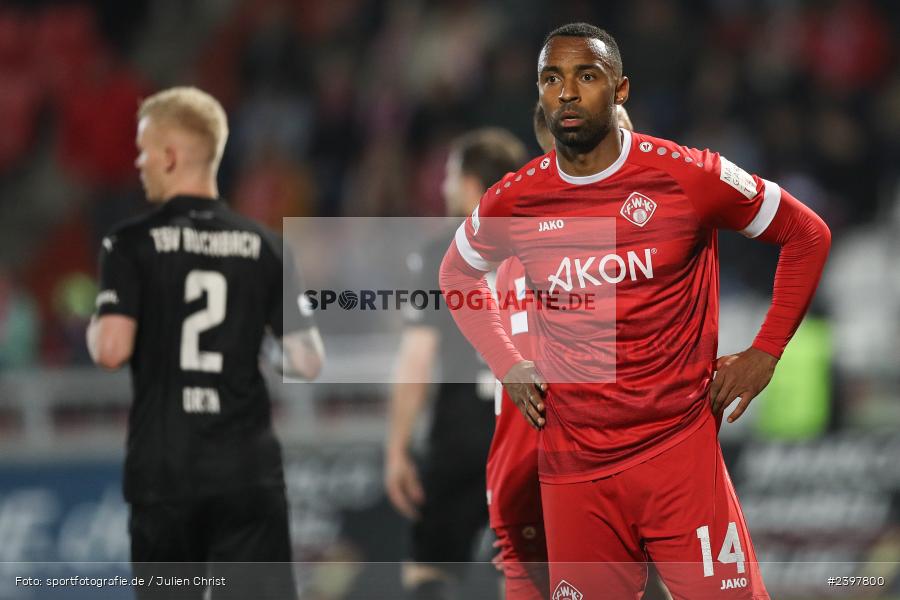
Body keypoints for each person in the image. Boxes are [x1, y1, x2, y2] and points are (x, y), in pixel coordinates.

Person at [440, 23, 830, 599]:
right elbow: (456, 274)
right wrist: (507, 362)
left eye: (586, 76)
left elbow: (807, 234)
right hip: (574, 473)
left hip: (676, 455)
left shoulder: (687, 175)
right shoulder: (514, 199)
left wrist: (766, 351)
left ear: (620, 90)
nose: (567, 92)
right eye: (553, 79)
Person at [86, 86, 324, 600]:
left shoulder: (128, 244)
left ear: (170, 156)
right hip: (247, 471)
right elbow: (307, 362)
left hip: (165, 472)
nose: (138, 161)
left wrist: (94, 322)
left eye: (144, 148)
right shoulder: (267, 247)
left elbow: (111, 350)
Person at [488, 102, 666, 600]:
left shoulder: (512, 245)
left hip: (519, 470)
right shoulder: (609, 242)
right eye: (620, 130)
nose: (633, 142)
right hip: (588, 466)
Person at [385, 128, 527, 600]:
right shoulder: (543, 245)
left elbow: (417, 358)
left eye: (449, 175)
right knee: (527, 573)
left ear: (469, 184)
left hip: (460, 432)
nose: (443, 187)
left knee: (430, 574)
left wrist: (398, 447)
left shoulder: (438, 251)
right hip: (526, 429)